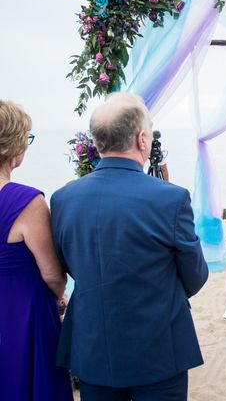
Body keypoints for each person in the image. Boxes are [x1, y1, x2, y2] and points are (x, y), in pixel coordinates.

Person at [50, 92, 208, 401]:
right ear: (142, 139)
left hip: (93, 342)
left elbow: (67, 262)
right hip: (159, 343)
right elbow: (195, 274)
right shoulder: (170, 199)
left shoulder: (62, 199)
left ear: (98, 142)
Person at [0, 100, 73, 401]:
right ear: (14, 144)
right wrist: (58, 296)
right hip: (25, 316)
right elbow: (53, 273)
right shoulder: (26, 201)